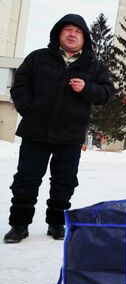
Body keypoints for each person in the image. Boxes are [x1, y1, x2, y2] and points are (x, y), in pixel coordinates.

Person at [4, 14, 115, 244]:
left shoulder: (93, 66)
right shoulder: (38, 58)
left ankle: (56, 223)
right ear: (58, 34)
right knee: (26, 179)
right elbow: (20, 84)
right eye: (67, 30)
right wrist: (29, 108)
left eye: (78, 31)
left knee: (64, 181)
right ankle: (19, 225)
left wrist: (87, 88)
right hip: (36, 131)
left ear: (85, 38)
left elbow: (106, 94)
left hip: (71, 134)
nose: (72, 34)